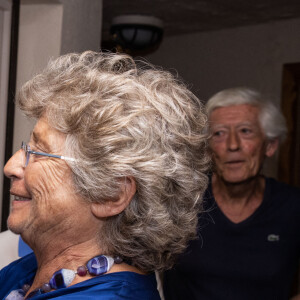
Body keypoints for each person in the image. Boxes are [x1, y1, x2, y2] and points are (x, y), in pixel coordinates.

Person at [0, 51, 209, 299]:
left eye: (40, 153)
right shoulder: (31, 269)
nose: (10, 167)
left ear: (111, 195)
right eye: (27, 147)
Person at [163, 87, 300, 300]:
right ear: (208, 150)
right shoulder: (182, 200)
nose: (232, 145)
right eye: (219, 134)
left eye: (245, 131)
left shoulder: (293, 207)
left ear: (270, 146)